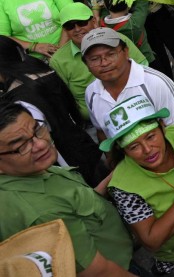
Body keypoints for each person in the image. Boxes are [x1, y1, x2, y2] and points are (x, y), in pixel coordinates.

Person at [0, 102, 135, 276]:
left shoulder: (30, 170)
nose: (40, 144)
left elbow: (76, 206)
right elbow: (98, 271)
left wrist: (119, 173)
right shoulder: (42, 213)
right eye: (21, 146)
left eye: (37, 129)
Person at [103, 96, 174, 276]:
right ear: (123, 150)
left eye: (151, 136)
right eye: (133, 146)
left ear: (162, 126)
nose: (147, 150)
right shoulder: (123, 186)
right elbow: (151, 240)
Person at [0, 35, 104, 187]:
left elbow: (44, 143)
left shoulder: (20, 100)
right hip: (84, 144)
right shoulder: (38, 67)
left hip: (69, 164)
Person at [81, 28, 174, 137]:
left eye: (111, 54)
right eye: (94, 59)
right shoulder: (91, 93)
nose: (104, 62)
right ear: (86, 64)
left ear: (126, 52)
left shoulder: (156, 83)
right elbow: (102, 132)